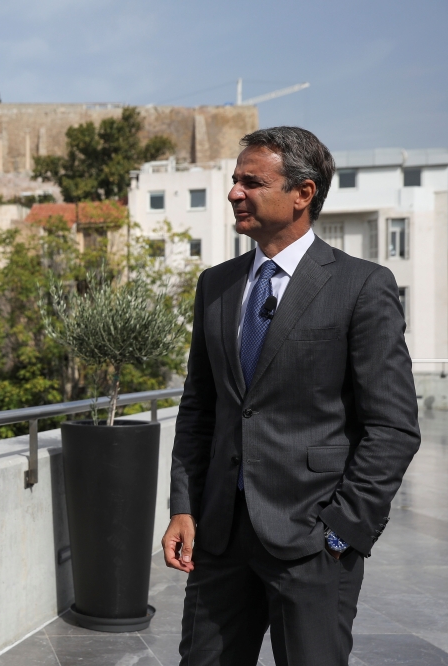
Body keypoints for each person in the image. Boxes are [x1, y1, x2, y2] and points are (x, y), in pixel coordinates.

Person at [161, 127, 420, 665]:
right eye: (235, 180)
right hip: (221, 540)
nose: (235, 192)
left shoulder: (362, 286)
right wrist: (184, 508)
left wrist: (343, 529)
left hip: (314, 543)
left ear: (303, 193)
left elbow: (392, 427)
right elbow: (199, 409)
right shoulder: (216, 285)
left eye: (252, 182)